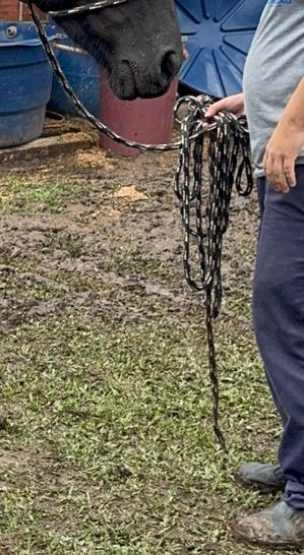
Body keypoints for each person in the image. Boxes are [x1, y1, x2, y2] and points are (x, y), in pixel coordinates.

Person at [205, 1, 304, 549]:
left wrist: (291, 124)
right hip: (286, 148)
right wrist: (261, 102)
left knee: (283, 311)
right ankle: (297, 461)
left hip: (300, 156)